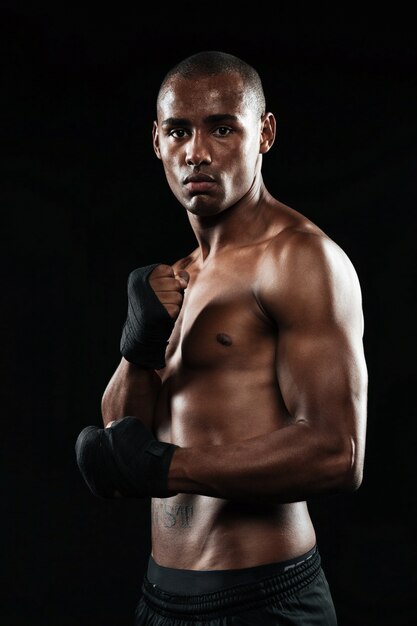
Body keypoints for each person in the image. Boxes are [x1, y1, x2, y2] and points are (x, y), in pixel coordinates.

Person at [75, 50, 368, 625]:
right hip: (159, 598)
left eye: (222, 127)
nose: (198, 152)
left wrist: (170, 468)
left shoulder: (298, 260)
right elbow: (122, 444)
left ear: (265, 133)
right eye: (179, 130)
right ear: (157, 141)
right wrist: (137, 349)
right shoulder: (178, 276)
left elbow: (339, 454)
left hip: (264, 599)